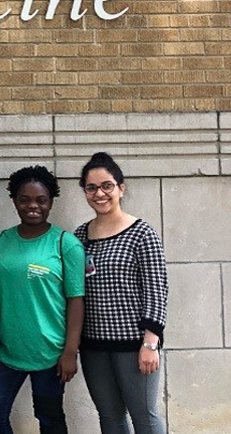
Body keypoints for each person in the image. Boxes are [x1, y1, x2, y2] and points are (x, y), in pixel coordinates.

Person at [0, 165, 85, 434]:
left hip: (50, 353)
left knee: (49, 419)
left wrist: (69, 352)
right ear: (14, 200)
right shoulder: (0, 241)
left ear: (51, 202)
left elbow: (76, 301)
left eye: (41, 200)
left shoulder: (66, 244)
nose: (33, 206)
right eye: (24, 199)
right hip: (5, 351)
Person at [74, 152, 169, 434]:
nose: (99, 194)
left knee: (144, 418)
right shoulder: (79, 236)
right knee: (110, 417)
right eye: (91, 188)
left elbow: (156, 289)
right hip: (94, 346)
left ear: (120, 188)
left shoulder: (142, 233)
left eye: (107, 186)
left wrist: (150, 343)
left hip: (134, 345)